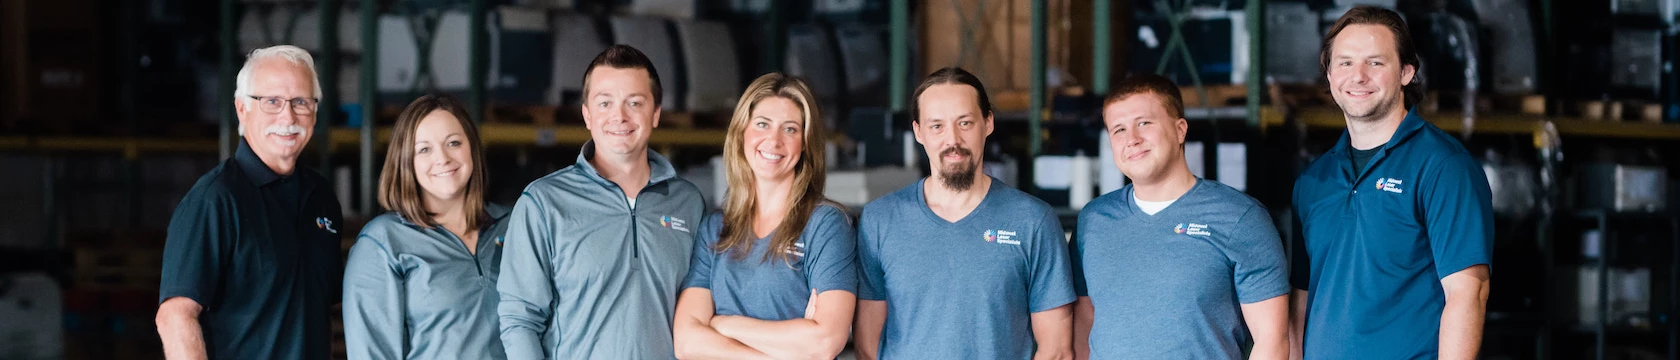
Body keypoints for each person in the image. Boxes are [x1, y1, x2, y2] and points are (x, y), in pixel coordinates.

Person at [1291, 6, 1494, 359]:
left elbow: (1468, 294)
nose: (1358, 76)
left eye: (1375, 63)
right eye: (1345, 63)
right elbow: (1301, 296)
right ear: (1328, 75)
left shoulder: (1443, 166)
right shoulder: (1313, 181)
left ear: (1406, 72)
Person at [497, 44, 706, 359]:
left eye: (634, 103)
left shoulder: (687, 204)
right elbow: (519, 319)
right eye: (605, 103)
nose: (619, 116)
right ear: (587, 115)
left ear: (656, 114)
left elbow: (701, 310)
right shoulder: (544, 203)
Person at [853, 67, 1075, 360]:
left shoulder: (1033, 221)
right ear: (919, 131)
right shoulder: (880, 221)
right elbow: (868, 345)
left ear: (988, 123)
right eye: (937, 126)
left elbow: (1056, 349)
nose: (953, 140)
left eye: (965, 123)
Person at [1069, 74, 1289, 360]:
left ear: (1180, 129)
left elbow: (1272, 341)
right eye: (1118, 130)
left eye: (1144, 123)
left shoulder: (1240, 217)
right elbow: (1083, 326)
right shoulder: (1093, 221)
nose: (1132, 139)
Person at [155, 45, 343, 359]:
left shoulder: (321, 197)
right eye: (271, 101)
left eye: (301, 101)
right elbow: (175, 315)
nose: (288, 116)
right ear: (242, 108)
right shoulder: (214, 200)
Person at [671, 73, 857, 360]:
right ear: (742, 132)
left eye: (790, 129)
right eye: (762, 124)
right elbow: (686, 342)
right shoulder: (715, 229)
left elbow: (824, 342)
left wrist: (723, 324)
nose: (774, 140)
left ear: (805, 143)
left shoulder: (826, 226)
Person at [342, 94, 511, 359]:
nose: (443, 158)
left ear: (472, 149)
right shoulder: (383, 243)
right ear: (406, 161)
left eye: (453, 143)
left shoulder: (514, 226)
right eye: (424, 149)